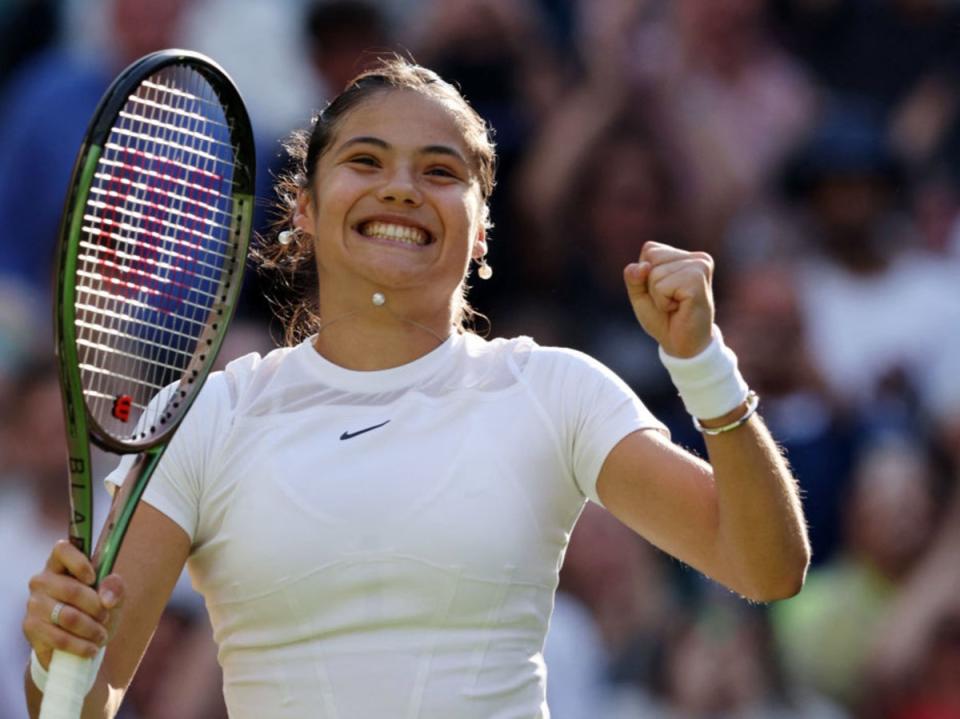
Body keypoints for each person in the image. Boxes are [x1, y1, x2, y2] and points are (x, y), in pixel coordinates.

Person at [21, 57, 809, 718]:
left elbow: (764, 565)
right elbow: (82, 697)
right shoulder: (208, 417)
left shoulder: (553, 390)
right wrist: (60, 647)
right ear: (304, 204)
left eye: (440, 171)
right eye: (365, 161)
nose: (401, 187)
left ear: (481, 225)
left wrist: (704, 363)